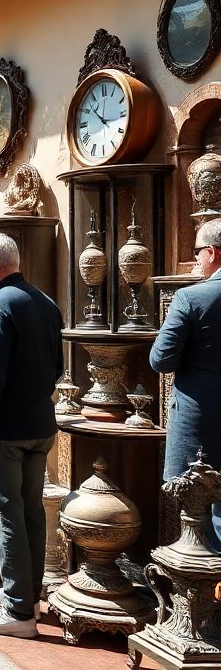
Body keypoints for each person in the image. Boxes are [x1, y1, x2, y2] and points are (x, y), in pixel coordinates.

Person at [0, 232, 62, 637]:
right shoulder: (44, 302)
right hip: (39, 424)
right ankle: (25, 594)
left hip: (3, 430)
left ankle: (18, 612)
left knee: (6, 513)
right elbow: (54, 368)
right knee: (30, 511)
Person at [152, 218, 221, 549]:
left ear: (212, 252)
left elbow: (160, 360)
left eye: (197, 253)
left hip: (201, 424)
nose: (196, 261)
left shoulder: (192, 298)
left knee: (198, 520)